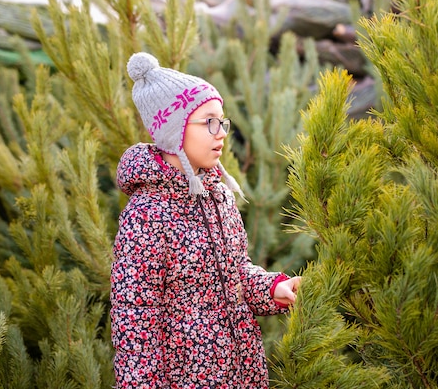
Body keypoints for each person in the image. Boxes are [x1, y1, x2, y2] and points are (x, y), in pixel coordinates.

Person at [110, 52, 301, 389]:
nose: (221, 132)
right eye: (209, 121)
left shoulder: (218, 196)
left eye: (223, 121)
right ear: (173, 131)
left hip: (242, 374)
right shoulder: (147, 215)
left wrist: (272, 288)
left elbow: (236, 274)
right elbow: (135, 322)